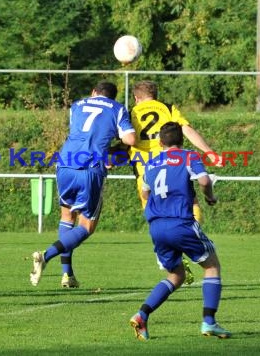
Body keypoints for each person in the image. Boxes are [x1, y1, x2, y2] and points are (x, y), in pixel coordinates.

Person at [128, 121, 231, 341]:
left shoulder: (152, 162)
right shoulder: (188, 156)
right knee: (211, 266)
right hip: (180, 223)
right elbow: (204, 180)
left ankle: (142, 315)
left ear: (159, 141)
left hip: (156, 227)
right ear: (181, 141)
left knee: (176, 275)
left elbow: (146, 194)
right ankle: (209, 322)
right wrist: (209, 196)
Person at [30, 81, 136, 288]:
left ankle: (67, 275)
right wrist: (113, 149)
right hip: (90, 168)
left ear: (93, 92)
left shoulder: (77, 105)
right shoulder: (118, 108)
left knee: (67, 216)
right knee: (86, 226)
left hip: (66, 163)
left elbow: (83, 133)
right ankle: (46, 255)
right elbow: (130, 139)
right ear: (112, 97)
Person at [127, 80, 222, 285]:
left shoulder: (131, 113)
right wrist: (209, 152)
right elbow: (186, 130)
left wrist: (108, 156)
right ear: (156, 94)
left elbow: (127, 139)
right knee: (192, 204)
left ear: (136, 98)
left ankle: (166, 257)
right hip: (175, 163)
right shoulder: (167, 108)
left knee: (155, 214)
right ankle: (187, 246)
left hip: (147, 167)